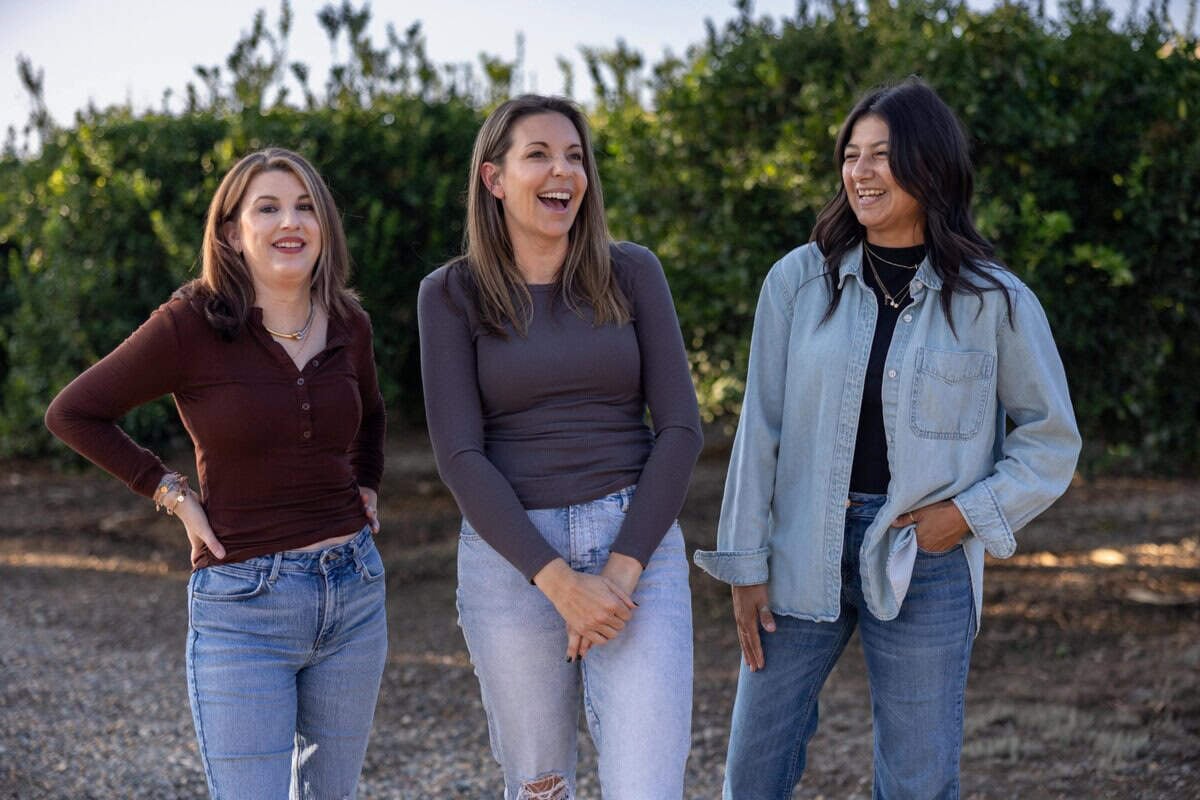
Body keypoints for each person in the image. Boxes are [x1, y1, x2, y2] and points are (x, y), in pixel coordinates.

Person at [694, 77, 1082, 799]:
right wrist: (745, 563)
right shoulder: (797, 282)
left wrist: (963, 517)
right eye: (851, 155)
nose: (861, 172)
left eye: (882, 155)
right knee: (752, 768)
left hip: (923, 560)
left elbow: (1050, 439)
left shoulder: (993, 300)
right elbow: (761, 429)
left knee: (917, 782)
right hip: (798, 549)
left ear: (930, 165)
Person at [44, 148, 388, 799]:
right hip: (244, 607)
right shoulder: (191, 324)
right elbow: (75, 413)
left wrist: (367, 482)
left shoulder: (349, 322)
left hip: (355, 595)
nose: (291, 221)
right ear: (231, 231)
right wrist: (169, 492)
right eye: (269, 207)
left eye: (305, 206)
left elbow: (371, 415)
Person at [418, 94, 702, 799]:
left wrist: (618, 576)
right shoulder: (449, 294)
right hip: (513, 559)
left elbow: (681, 429)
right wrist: (560, 584)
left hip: (638, 549)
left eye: (575, 156)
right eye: (539, 155)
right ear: (494, 178)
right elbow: (460, 456)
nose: (563, 172)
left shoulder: (633, 272)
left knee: (646, 787)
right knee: (541, 787)